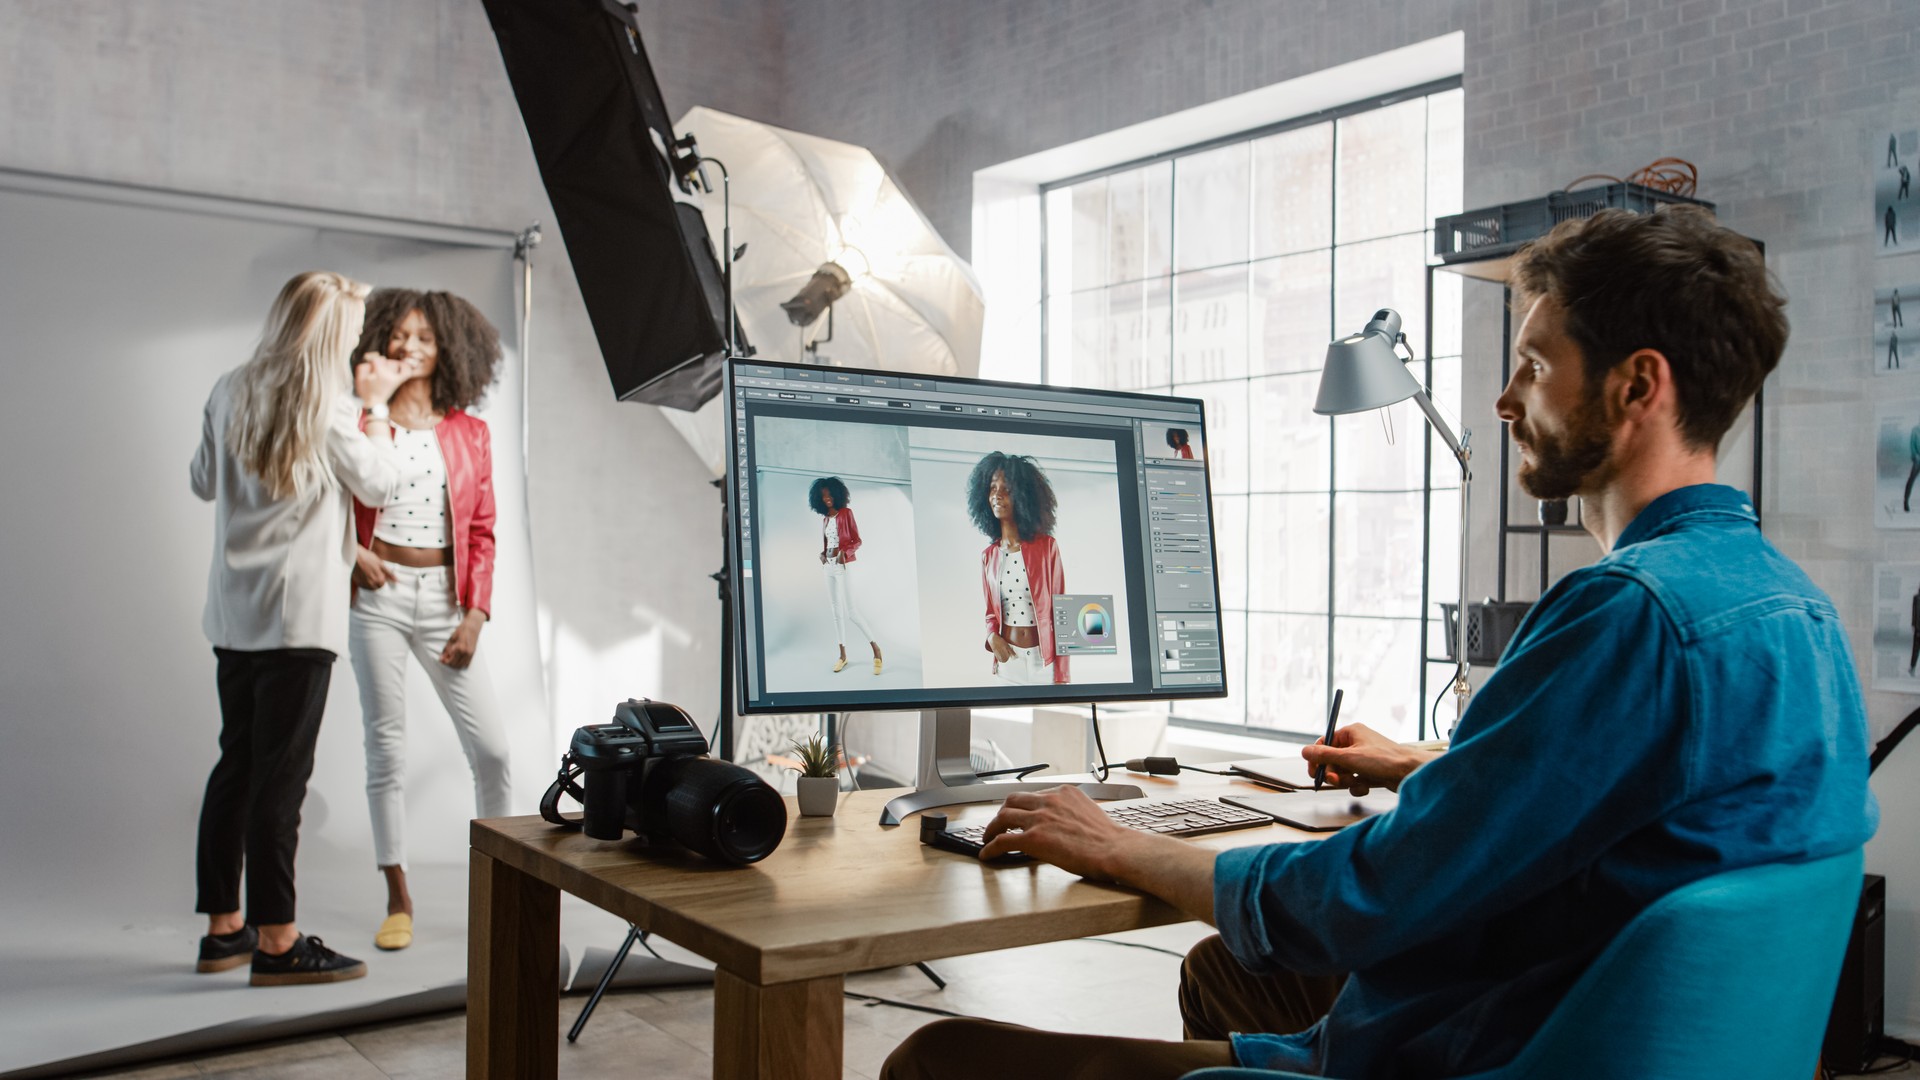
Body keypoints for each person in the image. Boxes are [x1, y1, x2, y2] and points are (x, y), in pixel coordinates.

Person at [883, 207, 1876, 1079]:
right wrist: (1436, 765)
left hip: (1500, 1051)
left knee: (937, 1059)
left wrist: (1125, 845)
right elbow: (1668, 806)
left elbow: (1363, 898)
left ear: (1635, 385)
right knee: (1230, 974)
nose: (1504, 399)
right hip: (1614, 1032)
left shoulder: (1625, 613)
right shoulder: (1795, 611)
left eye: (1533, 365)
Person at [191, 270, 413, 986]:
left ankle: (225, 929)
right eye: (351, 333)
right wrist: (376, 408)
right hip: (297, 622)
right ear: (329, 336)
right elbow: (380, 483)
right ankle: (280, 942)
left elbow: (202, 481)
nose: (358, 345)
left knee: (237, 767)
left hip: (233, 613)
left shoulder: (228, 387)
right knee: (280, 784)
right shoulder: (331, 405)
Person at [346, 288, 508, 952]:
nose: (408, 347)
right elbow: (324, 506)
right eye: (399, 335)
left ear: (450, 350)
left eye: (424, 338)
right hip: (378, 601)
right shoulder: (360, 421)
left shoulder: (469, 432)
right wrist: (352, 552)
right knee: (387, 747)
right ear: (380, 338)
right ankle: (398, 894)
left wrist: (475, 615)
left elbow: (485, 533)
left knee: (493, 752)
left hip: (446, 602)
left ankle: (502, 885)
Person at [969, 452, 1069, 685]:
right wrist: (992, 637)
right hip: (1007, 663)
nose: (997, 496)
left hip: (1044, 663)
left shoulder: (1047, 547)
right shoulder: (988, 557)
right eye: (993, 488)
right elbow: (991, 613)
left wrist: (1063, 676)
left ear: (1024, 497)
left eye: (1007, 489)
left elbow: (1062, 613)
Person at [809, 476, 883, 674]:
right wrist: (823, 554)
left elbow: (857, 540)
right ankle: (842, 655)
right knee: (835, 611)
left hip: (843, 566)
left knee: (851, 612)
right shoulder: (825, 519)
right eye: (823, 496)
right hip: (828, 567)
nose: (827, 499)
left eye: (830, 494)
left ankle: (876, 650)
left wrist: (844, 553)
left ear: (837, 494)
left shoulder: (846, 513)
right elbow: (828, 543)